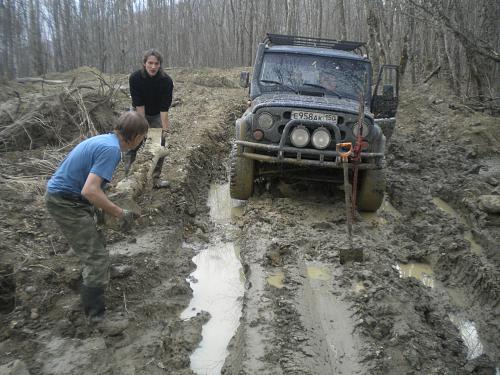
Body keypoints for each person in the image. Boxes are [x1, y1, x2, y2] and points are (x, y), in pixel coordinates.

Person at [45, 111, 148, 331]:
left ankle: (105, 270)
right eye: (142, 137)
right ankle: (97, 319)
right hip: (65, 201)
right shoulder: (111, 150)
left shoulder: (106, 141)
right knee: (95, 258)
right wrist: (120, 212)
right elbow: (91, 190)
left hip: (72, 196)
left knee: (95, 238)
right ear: (137, 136)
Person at [127, 49, 174, 187]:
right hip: (138, 112)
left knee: (160, 143)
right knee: (132, 142)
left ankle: (156, 179)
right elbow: (139, 106)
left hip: (156, 114)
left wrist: (165, 129)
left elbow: (164, 109)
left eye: (156, 63)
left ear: (160, 65)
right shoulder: (135, 78)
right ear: (144, 63)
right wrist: (143, 130)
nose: (153, 67)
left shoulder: (166, 81)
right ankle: (128, 178)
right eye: (150, 63)